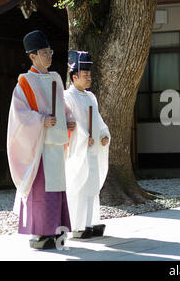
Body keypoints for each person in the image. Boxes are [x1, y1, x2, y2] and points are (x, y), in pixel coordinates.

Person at [7, 30, 75, 249]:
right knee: (41, 190)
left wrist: (69, 119)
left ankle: (56, 232)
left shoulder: (55, 78)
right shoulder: (25, 82)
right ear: (32, 56)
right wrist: (40, 120)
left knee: (56, 189)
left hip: (55, 143)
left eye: (50, 51)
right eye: (44, 52)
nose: (49, 56)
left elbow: (63, 107)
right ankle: (39, 233)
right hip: (39, 145)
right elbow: (19, 115)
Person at [64, 50, 110, 238]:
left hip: (92, 149)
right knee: (78, 186)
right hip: (78, 149)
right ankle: (77, 226)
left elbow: (98, 119)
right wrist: (83, 137)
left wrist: (104, 133)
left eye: (90, 74)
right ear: (75, 76)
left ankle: (91, 222)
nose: (89, 78)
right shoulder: (68, 96)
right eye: (85, 75)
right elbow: (70, 121)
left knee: (92, 187)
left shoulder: (91, 97)